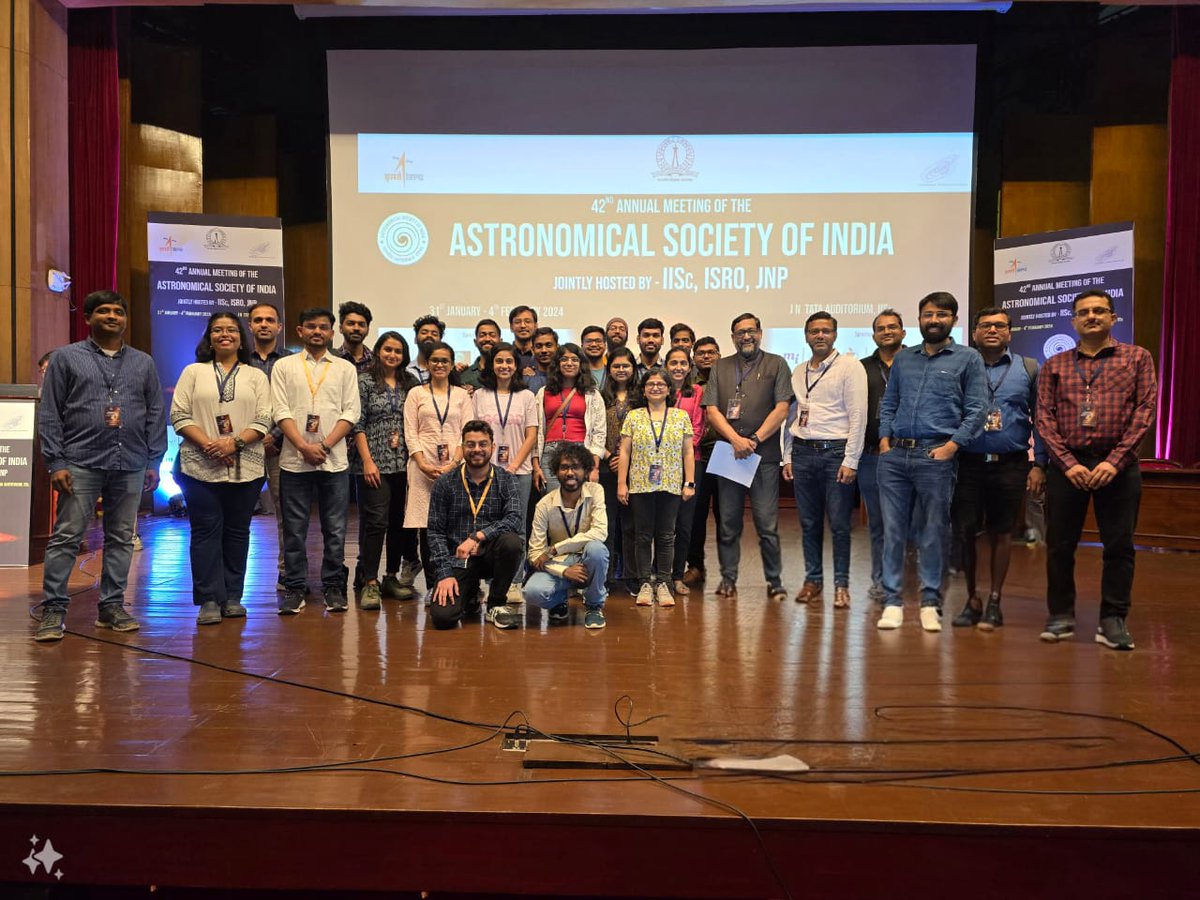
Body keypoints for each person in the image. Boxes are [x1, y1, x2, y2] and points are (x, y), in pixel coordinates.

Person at [34, 290, 167, 642]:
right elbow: (49, 413)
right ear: (88, 318)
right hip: (80, 462)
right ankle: (53, 612)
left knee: (121, 538)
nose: (113, 316)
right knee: (66, 537)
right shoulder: (65, 358)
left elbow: (155, 411)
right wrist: (56, 461)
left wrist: (154, 459)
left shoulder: (143, 362)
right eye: (104, 311)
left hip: (131, 462)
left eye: (119, 311)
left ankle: (111, 608)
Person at [1036, 289, 1156, 651]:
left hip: (1117, 466)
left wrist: (1113, 461)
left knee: (1119, 547)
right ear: (1073, 320)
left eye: (1099, 311)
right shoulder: (1055, 365)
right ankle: (1060, 616)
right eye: (1084, 311)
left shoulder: (1137, 358)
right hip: (1067, 466)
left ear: (1112, 318)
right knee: (1059, 545)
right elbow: (1043, 417)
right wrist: (1067, 463)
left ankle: (1112, 620)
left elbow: (1145, 412)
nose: (1091, 316)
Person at [876, 291, 987, 632]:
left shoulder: (968, 359)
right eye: (927, 314)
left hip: (936, 455)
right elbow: (890, 402)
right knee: (892, 532)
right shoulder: (905, 359)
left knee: (933, 532)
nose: (934, 320)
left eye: (941, 314)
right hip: (895, 457)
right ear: (919, 319)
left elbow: (977, 409)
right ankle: (893, 601)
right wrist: (884, 442)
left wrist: (952, 447)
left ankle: (929, 601)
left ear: (953, 319)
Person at [170, 313, 271, 625]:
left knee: (238, 532)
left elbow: (265, 418)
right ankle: (208, 600)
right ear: (209, 337)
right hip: (198, 466)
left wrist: (233, 443)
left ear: (241, 338)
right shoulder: (193, 372)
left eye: (231, 330)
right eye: (217, 330)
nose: (224, 335)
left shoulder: (256, 376)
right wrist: (209, 445)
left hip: (247, 467)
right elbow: (179, 414)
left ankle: (232, 597)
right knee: (205, 531)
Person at [949, 308, 1046, 631]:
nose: (992, 330)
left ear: (1009, 332)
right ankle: (972, 599)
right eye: (985, 325)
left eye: (999, 325)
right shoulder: (961, 368)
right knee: (966, 533)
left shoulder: (1028, 368)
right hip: (967, 464)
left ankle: (994, 600)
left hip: (1011, 465)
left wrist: (1039, 464)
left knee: (1002, 533)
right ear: (974, 333)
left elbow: (1041, 420)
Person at [271, 307, 361, 615]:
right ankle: (295, 587)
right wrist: (302, 445)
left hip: (333, 462)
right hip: (294, 461)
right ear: (300, 331)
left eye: (323, 327)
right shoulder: (284, 366)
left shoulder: (344, 368)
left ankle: (334, 587)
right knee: (294, 530)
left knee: (335, 529)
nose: (317, 332)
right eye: (311, 327)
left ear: (332, 332)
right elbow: (280, 410)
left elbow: (351, 412)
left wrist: (323, 444)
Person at [702, 313, 792, 600]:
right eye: (740, 332)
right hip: (729, 453)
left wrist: (753, 440)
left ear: (760, 333)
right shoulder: (720, 366)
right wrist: (736, 439)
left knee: (767, 524)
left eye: (751, 331)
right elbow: (712, 410)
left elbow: (781, 409)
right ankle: (728, 579)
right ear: (732, 337)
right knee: (728, 522)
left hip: (762, 456)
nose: (746, 337)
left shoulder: (776, 363)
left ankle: (774, 581)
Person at [781, 312, 867, 610]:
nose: (820, 336)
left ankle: (841, 584)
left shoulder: (850, 367)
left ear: (835, 335)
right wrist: (787, 456)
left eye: (826, 331)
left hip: (836, 455)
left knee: (841, 524)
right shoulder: (799, 370)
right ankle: (813, 579)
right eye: (814, 331)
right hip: (803, 453)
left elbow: (858, 416)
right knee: (808, 523)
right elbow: (792, 416)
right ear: (805, 336)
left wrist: (851, 460)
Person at [494, 442, 609, 630]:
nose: (570, 473)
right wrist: (563, 571)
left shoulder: (596, 491)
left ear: (586, 470)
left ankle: (594, 606)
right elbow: (534, 554)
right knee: (532, 592)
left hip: (586, 558)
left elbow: (600, 532)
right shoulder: (544, 504)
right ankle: (558, 601)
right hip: (559, 563)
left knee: (597, 549)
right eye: (564, 467)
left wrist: (555, 548)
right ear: (556, 471)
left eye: (576, 467)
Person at [425, 420, 524, 629]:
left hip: (490, 555)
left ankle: (496, 603)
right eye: (470, 445)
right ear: (462, 448)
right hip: (457, 559)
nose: (477, 449)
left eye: (483, 444)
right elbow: (435, 532)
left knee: (512, 543)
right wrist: (444, 574)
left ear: (492, 447)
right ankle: (469, 594)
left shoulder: (506, 480)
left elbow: (514, 519)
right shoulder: (445, 483)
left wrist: (478, 536)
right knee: (443, 618)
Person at [353, 331, 420, 610]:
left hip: (404, 464)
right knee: (376, 522)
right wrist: (367, 460)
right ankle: (370, 581)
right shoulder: (365, 381)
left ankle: (390, 576)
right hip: (374, 463)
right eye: (388, 349)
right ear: (378, 351)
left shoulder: (410, 383)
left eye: (398, 351)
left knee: (398, 523)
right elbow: (358, 424)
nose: (393, 355)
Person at [403, 341, 473, 603]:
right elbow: (411, 431)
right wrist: (422, 463)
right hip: (423, 466)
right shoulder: (416, 394)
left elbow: (467, 433)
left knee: (455, 525)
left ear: (452, 363)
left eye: (445, 360)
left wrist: (454, 463)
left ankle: (458, 581)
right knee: (426, 527)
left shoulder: (461, 395)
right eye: (435, 360)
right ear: (427, 363)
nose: (440, 365)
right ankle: (434, 583)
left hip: (455, 466)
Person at [619, 367, 695, 607]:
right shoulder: (634, 416)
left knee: (666, 536)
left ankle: (664, 583)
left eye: (660, 384)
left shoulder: (680, 416)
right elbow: (624, 451)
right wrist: (622, 483)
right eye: (650, 384)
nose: (655, 387)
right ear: (643, 390)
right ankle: (644, 583)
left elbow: (688, 451)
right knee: (642, 536)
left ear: (668, 389)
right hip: (640, 484)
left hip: (671, 484)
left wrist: (689, 482)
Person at [858, 310, 906, 605]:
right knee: (877, 523)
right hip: (872, 457)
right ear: (873, 335)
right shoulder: (861, 368)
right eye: (880, 328)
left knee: (910, 522)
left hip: (909, 454)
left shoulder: (916, 363)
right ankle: (881, 581)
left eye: (892, 327)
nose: (886, 332)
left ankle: (906, 580)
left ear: (903, 332)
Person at [245, 302, 292, 589]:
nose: (264, 324)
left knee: (286, 514)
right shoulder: (238, 360)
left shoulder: (289, 362)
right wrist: (250, 436)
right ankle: (231, 575)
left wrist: (272, 435)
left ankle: (287, 573)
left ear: (279, 327)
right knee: (238, 514)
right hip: (242, 448)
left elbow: (293, 404)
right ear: (249, 325)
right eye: (257, 320)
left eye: (269, 320)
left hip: (279, 447)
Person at [472, 342, 539, 536]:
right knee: (487, 525)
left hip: (520, 472)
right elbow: (474, 434)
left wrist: (513, 467)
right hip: (487, 470)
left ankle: (518, 568)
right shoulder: (479, 395)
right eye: (499, 361)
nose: (504, 365)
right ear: (491, 365)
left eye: (509, 361)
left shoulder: (526, 395)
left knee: (518, 526)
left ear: (516, 365)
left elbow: (531, 435)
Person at [534, 343, 605, 493]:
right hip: (550, 453)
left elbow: (599, 433)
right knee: (553, 505)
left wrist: (594, 468)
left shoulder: (592, 394)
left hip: (581, 451)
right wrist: (536, 466)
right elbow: (536, 431)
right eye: (564, 359)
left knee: (579, 506)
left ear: (581, 365)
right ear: (557, 364)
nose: (569, 363)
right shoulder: (543, 392)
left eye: (574, 359)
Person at [664, 347, 705, 596]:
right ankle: (660, 574)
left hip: (691, 463)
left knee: (684, 523)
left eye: (683, 363)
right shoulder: (659, 389)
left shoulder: (697, 392)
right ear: (665, 365)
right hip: (661, 466)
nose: (678, 367)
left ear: (690, 367)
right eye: (673, 363)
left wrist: (680, 454)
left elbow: (697, 428)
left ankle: (678, 576)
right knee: (663, 524)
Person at [599, 347, 640, 592]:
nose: (621, 370)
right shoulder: (599, 396)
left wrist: (627, 459)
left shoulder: (641, 398)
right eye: (616, 366)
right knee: (606, 525)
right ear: (609, 369)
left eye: (626, 366)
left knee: (632, 525)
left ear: (633, 369)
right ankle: (604, 577)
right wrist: (611, 456)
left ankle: (632, 577)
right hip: (605, 467)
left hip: (635, 468)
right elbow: (592, 431)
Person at [684, 336, 721, 585]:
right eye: (701, 353)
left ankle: (729, 571)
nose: (706, 356)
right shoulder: (687, 385)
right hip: (697, 456)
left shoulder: (729, 379)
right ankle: (695, 566)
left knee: (725, 514)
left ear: (719, 355)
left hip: (725, 453)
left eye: (711, 352)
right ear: (693, 358)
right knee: (694, 515)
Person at [459, 318, 502, 390]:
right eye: (482, 335)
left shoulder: (508, 373)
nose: (487, 339)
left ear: (500, 341)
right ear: (475, 342)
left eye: (492, 335)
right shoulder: (464, 375)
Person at [334, 301, 374, 373]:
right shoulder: (332, 359)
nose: (356, 328)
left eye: (361, 324)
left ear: (368, 330)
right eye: (350, 324)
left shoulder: (377, 361)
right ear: (340, 328)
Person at [407, 314, 445, 386]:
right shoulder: (406, 371)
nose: (429, 335)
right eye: (424, 332)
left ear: (440, 341)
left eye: (434, 334)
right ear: (415, 340)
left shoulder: (447, 371)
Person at [526, 326, 559, 393]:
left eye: (548, 345)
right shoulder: (525, 379)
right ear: (532, 350)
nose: (544, 350)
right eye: (539, 346)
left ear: (557, 348)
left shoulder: (566, 378)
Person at [508, 305, 538, 375]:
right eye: (517, 322)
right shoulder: (506, 354)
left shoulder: (542, 354)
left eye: (527, 321)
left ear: (536, 326)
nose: (523, 326)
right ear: (511, 327)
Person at [580, 324, 608, 389]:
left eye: (598, 341)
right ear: (582, 346)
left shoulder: (612, 372)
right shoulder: (577, 373)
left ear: (605, 346)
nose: (594, 345)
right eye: (589, 341)